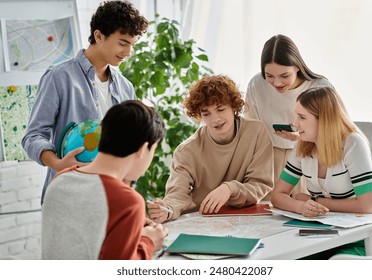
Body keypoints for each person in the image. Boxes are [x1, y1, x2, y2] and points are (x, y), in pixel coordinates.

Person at [21, 0, 148, 202]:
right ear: (98, 36)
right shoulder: (59, 77)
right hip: (69, 194)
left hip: (110, 196)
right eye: (123, 43)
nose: (128, 52)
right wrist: (58, 163)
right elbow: (33, 136)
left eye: (132, 45)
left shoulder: (126, 87)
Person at [41, 100, 168, 260]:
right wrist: (148, 241)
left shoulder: (60, 180)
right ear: (143, 150)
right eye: (153, 151)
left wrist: (123, 224)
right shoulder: (127, 201)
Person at [271, 86, 372, 258]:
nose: (294, 123)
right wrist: (300, 206)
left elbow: (366, 206)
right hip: (319, 239)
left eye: (302, 117)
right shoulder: (302, 146)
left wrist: (314, 200)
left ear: (324, 120)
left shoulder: (353, 144)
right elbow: (277, 195)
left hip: (359, 240)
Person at [148, 75, 274, 223]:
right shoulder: (187, 151)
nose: (215, 119)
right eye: (206, 114)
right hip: (204, 222)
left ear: (234, 107)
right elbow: (177, 194)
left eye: (220, 109)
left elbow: (260, 184)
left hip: (248, 220)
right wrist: (167, 210)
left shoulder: (256, 132)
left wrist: (229, 189)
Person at [244, 34, 335, 197]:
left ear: (297, 67)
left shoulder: (319, 87)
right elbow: (249, 126)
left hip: (308, 157)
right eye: (270, 76)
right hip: (268, 159)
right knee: (267, 214)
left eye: (284, 76)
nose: (277, 83)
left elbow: (335, 133)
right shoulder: (257, 84)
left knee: (307, 210)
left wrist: (301, 138)